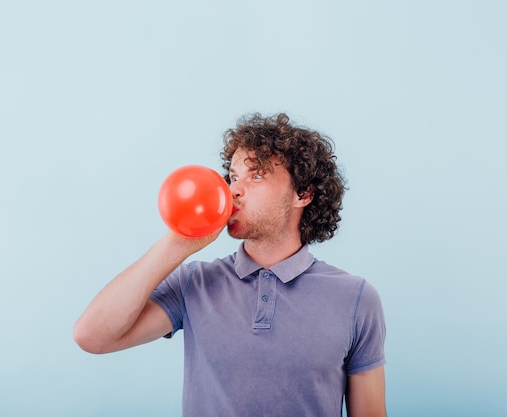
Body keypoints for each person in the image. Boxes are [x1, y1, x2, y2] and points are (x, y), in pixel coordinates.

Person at [73, 113, 387, 417]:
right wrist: (177, 243)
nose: (233, 189)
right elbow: (92, 336)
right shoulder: (194, 282)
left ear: (302, 193)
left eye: (257, 174)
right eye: (233, 177)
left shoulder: (356, 298)